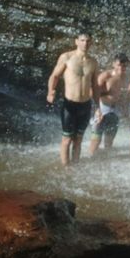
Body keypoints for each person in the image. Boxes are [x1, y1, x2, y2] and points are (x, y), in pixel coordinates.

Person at [47, 32, 100, 166]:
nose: (85, 43)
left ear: (91, 43)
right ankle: (66, 168)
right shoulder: (66, 57)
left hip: (85, 105)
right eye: (82, 40)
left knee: (78, 139)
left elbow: (95, 85)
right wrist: (50, 92)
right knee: (67, 139)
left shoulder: (93, 62)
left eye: (87, 41)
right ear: (76, 41)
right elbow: (55, 76)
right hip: (69, 105)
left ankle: (75, 166)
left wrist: (98, 107)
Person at [88, 53, 130, 157]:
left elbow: (122, 95)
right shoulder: (106, 76)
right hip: (103, 109)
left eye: (124, 65)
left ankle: (105, 162)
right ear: (113, 64)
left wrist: (125, 109)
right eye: (119, 65)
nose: (121, 68)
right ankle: (90, 160)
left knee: (109, 142)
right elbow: (92, 92)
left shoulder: (126, 77)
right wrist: (97, 110)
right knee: (96, 141)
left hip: (115, 111)